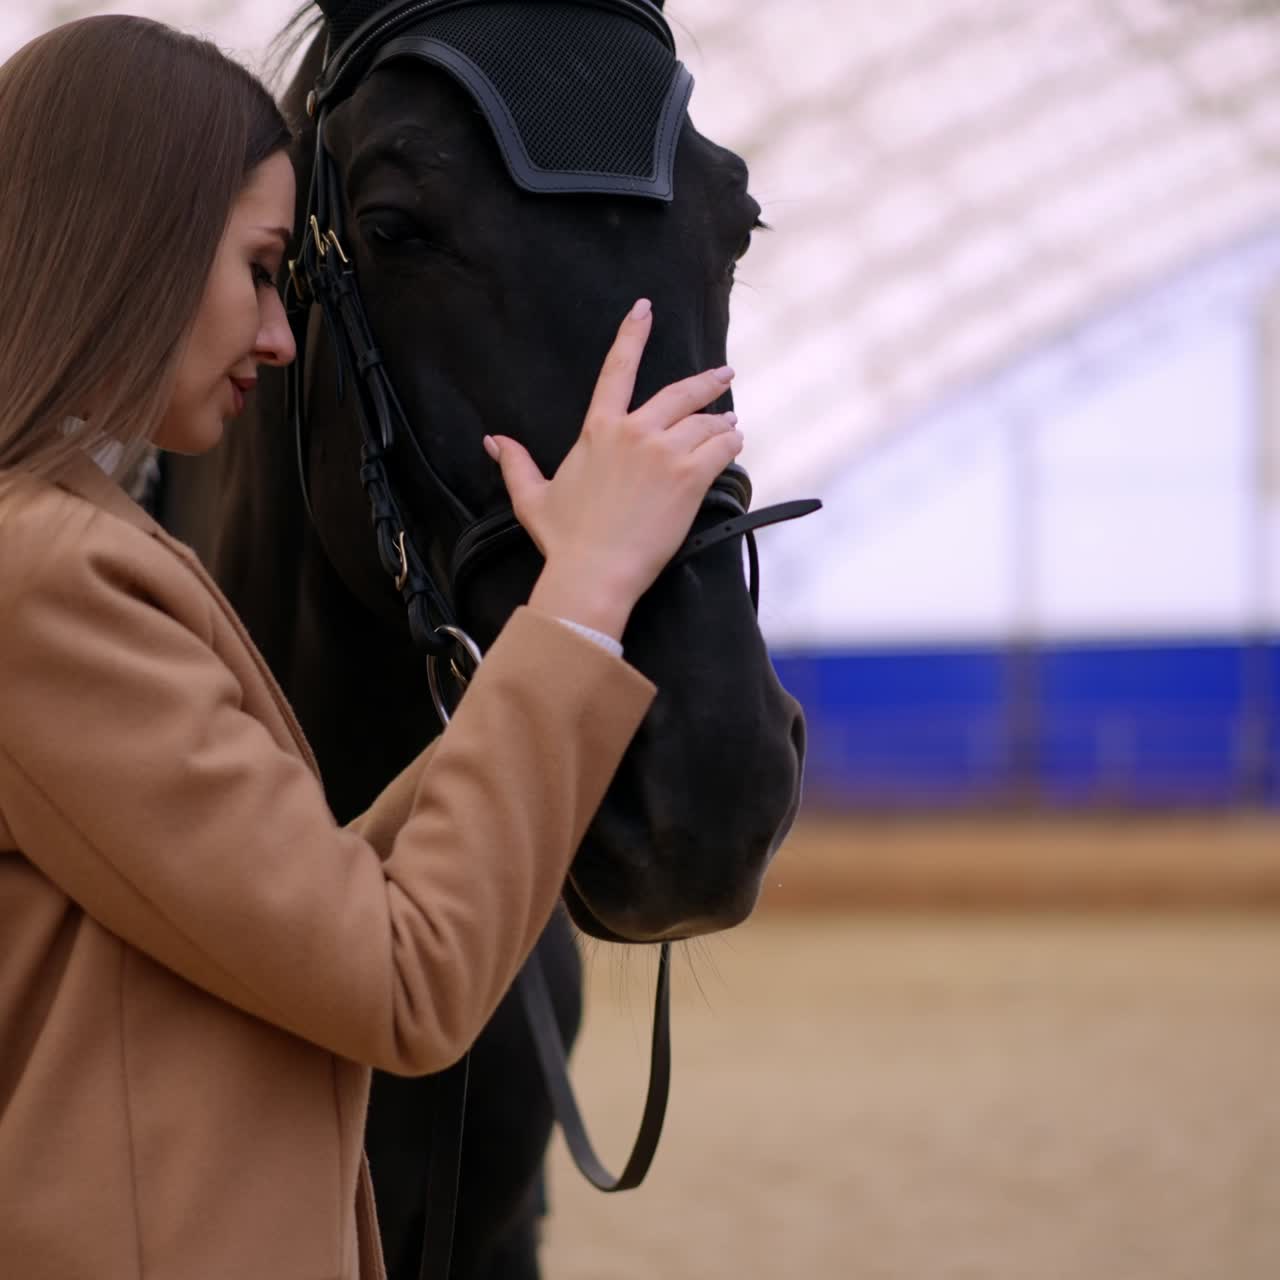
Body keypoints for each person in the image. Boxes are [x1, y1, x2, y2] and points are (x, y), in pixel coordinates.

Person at [0, 15, 744, 1279]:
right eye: (260, 268)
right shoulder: (51, 575)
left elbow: (303, 889)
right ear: (138, 250)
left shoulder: (66, 538)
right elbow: (401, 978)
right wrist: (577, 604)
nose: (283, 336)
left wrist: (531, 679)